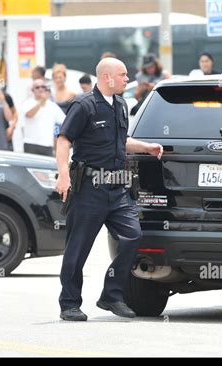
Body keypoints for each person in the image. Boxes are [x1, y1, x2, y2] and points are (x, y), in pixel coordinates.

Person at [55, 57, 163, 321]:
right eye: (123, 75)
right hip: (89, 189)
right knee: (78, 248)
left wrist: (146, 147)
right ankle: (69, 303)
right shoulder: (84, 105)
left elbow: (121, 141)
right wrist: (63, 175)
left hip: (117, 190)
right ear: (107, 77)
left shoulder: (121, 104)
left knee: (132, 236)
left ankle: (111, 295)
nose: (128, 79)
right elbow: (64, 139)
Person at [21, 79, 65, 156]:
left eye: (43, 87)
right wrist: (41, 101)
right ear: (33, 90)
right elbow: (29, 114)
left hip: (47, 145)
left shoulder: (52, 106)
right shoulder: (27, 102)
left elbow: (64, 121)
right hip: (31, 144)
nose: (40, 89)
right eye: (37, 87)